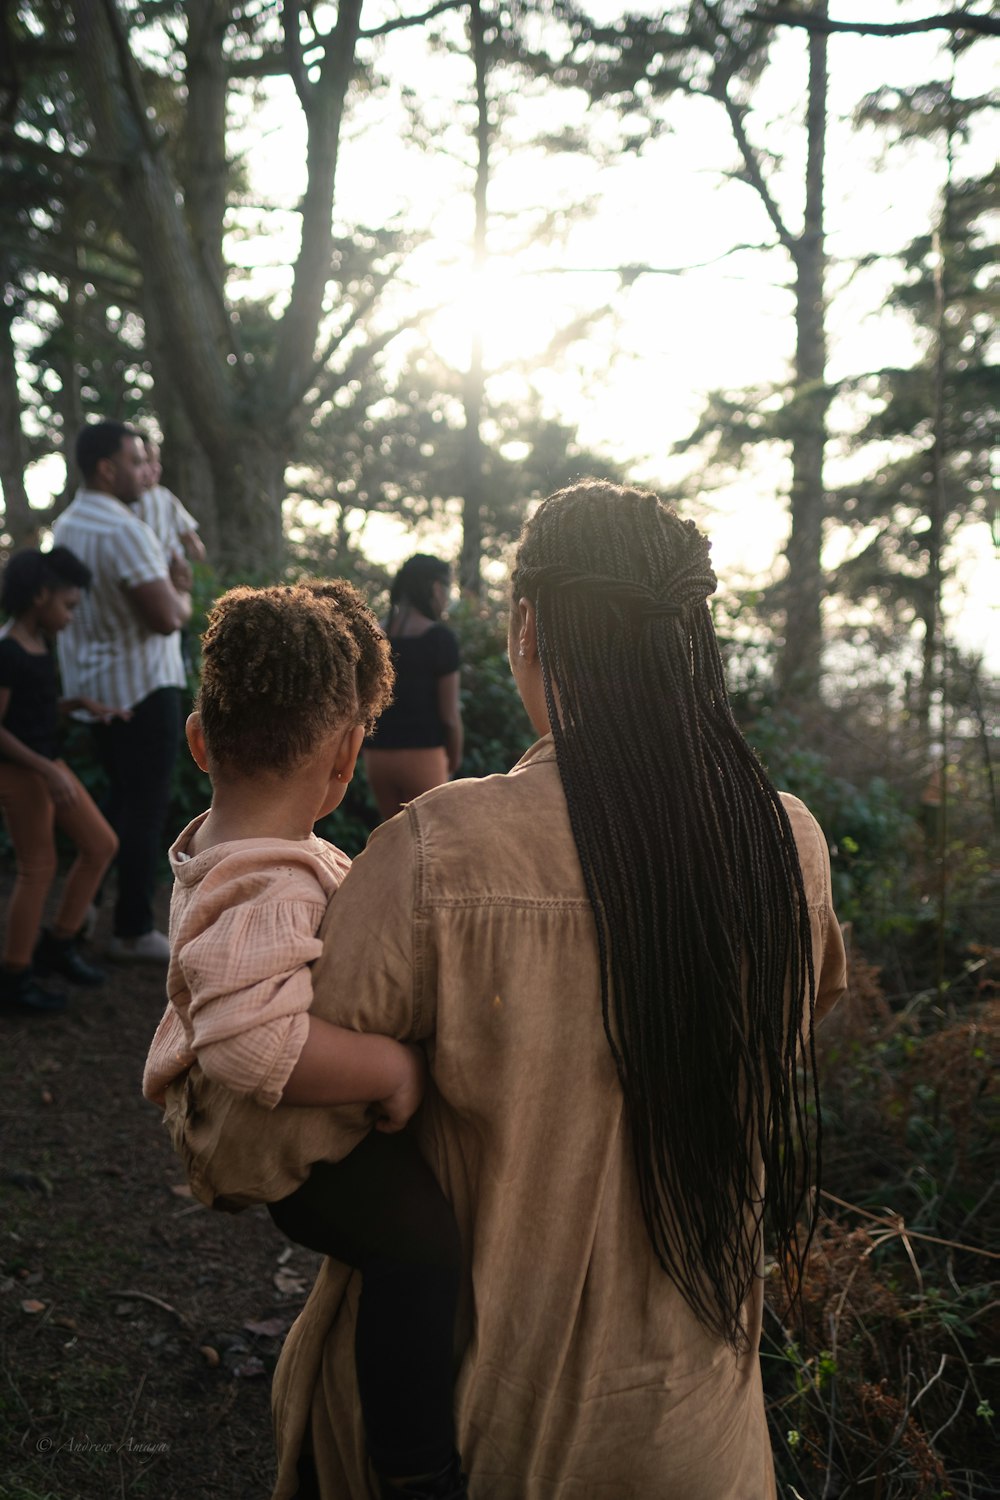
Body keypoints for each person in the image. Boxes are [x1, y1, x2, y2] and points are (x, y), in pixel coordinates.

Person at [247, 480, 848, 1499]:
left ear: (527, 625)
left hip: (468, 1442)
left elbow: (258, 1133)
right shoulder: (785, 841)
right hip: (697, 1443)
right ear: (686, 637)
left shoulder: (438, 852)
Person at [142, 582, 468, 1500]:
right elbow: (252, 1043)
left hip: (281, 1139)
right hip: (302, 1166)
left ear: (200, 739)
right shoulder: (269, 882)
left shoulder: (229, 848)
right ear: (347, 755)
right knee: (421, 1252)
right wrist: (392, 1066)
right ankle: (414, 1466)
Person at [53, 420, 192, 963]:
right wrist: (181, 593)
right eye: (137, 462)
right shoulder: (123, 530)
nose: (147, 472)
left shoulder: (67, 526)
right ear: (106, 469)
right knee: (145, 808)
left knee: (114, 799)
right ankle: (133, 927)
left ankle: (82, 903)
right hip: (142, 686)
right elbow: (163, 618)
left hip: (91, 687)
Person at [0, 548, 120, 1013]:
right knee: (38, 867)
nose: (71, 616)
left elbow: (30, 713)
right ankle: (14, 974)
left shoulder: (36, 642)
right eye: (68, 606)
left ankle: (58, 944)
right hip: (21, 771)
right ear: (40, 596)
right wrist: (45, 769)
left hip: (45, 763)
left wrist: (78, 705)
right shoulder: (8, 649)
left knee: (101, 844)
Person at [363, 555, 462, 821]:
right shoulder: (440, 639)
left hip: (377, 758)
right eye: (448, 588)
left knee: (396, 843)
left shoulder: (375, 636)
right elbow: (450, 715)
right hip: (424, 755)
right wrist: (453, 759)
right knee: (433, 846)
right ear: (435, 587)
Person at [135, 437, 207, 565]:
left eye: (157, 461)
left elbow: (184, 527)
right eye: (147, 461)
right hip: (142, 563)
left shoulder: (164, 496)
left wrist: (194, 542)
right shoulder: (129, 498)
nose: (155, 467)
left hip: (169, 563)